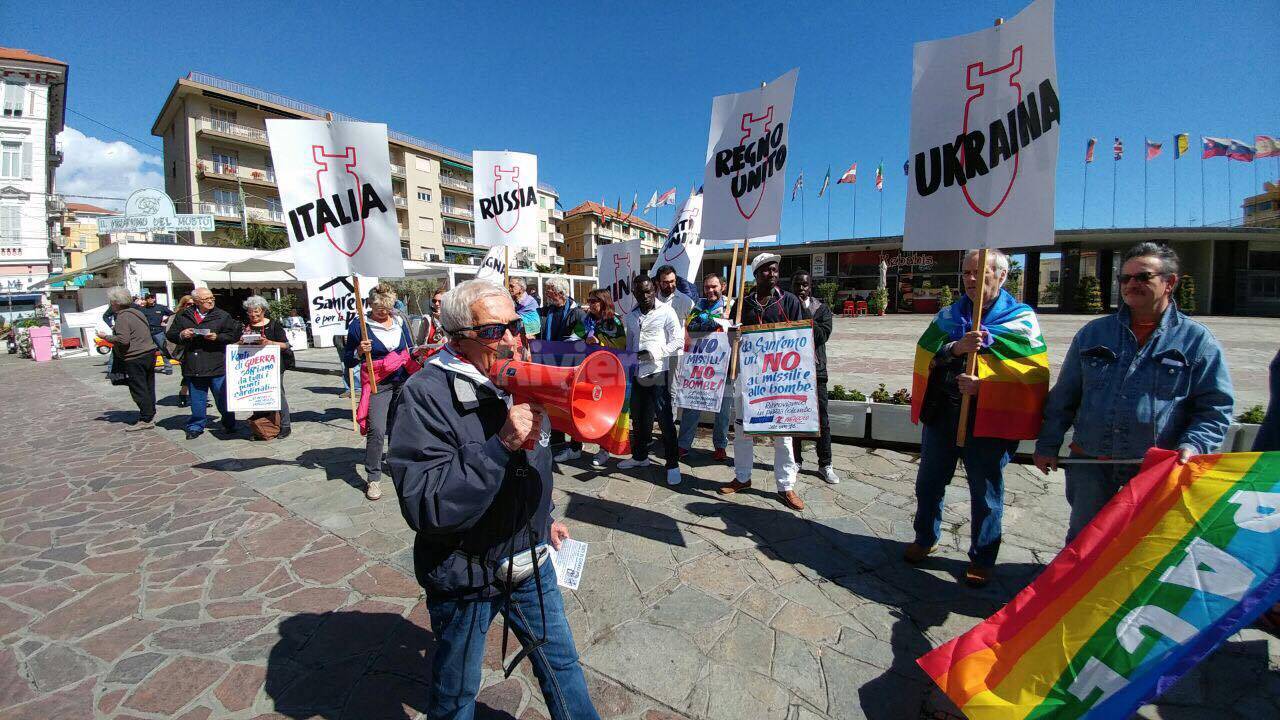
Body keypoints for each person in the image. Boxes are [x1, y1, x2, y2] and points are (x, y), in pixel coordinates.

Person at [387, 280, 600, 720]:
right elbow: (426, 504)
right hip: (468, 574)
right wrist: (499, 443)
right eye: (492, 331)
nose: (508, 339)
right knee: (456, 692)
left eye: (514, 325)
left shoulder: (515, 377)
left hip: (531, 558)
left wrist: (545, 516)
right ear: (457, 338)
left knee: (562, 668)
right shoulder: (425, 395)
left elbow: (534, 459)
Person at [1035, 242, 1234, 544]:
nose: (1131, 285)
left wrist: (1194, 445)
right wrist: (1048, 443)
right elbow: (1065, 395)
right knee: (1083, 543)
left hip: (1152, 470)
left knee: (1139, 548)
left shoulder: (1197, 341)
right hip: (1091, 463)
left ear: (1170, 282)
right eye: (1124, 279)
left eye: (1142, 277)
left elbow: (1215, 408)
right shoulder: (1093, 333)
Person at [904, 249, 1048, 588]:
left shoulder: (1021, 319)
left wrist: (985, 384)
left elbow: (1033, 371)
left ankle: (983, 557)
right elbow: (927, 354)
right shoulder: (948, 315)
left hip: (989, 422)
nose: (971, 279)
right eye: (967, 273)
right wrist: (955, 349)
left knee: (985, 492)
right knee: (928, 482)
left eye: (980, 272)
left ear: (1001, 276)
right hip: (945, 416)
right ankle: (926, 537)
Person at [720, 253, 806, 510]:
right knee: (743, 431)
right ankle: (743, 477)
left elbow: (800, 336)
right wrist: (732, 333)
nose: (773, 274)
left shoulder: (789, 301)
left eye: (775, 270)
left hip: (778, 380)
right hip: (748, 379)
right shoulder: (742, 304)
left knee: (783, 435)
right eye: (767, 270)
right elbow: (731, 339)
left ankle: (786, 485)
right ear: (756, 275)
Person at [344, 286, 418, 501]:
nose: (383, 312)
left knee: (399, 427)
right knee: (376, 429)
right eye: (378, 308)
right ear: (369, 304)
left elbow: (410, 349)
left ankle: (397, 465)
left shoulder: (399, 321)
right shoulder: (360, 327)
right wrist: (359, 351)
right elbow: (348, 360)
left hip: (402, 380)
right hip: (378, 383)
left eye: (387, 308)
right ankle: (373, 477)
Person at [620, 274, 683, 485]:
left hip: (657, 372)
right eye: (640, 292)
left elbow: (678, 340)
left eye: (648, 291)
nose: (645, 295)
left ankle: (672, 464)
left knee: (665, 419)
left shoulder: (666, 311)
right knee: (638, 418)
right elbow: (630, 343)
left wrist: (657, 352)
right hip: (638, 373)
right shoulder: (631, 315)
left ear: (654, 289)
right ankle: (640, 457)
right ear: (635, 293)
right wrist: (628, 363)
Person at [167, 287, 242, 439]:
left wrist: (218, 337)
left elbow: (233, 335)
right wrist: (182, 334)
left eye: (211, 298)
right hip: (193, 363)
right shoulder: (183, 315)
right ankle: (196, 426)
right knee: (197, 399)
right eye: (206, 299)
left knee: (222, 397)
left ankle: (229, 423)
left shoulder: (222, 315)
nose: (210, 301)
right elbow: (171, 334)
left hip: (216, 362)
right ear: (196, 301)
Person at [790, 272, 840, 484]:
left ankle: (825, 464)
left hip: (816, 371)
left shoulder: (821, 309)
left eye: (805, 285)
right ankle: (795, 460)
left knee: (822, 420)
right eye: (798, 285)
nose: (801, 288)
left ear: (811, 287)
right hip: (792, 372)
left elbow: (821, 335)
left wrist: (803, 312)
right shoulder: (786, 307)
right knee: (794, 418)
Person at [677, 273, 733, 462]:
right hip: (699, 368)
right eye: (707, 287)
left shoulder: (732, 307)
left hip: (723, 367)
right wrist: (715, 321)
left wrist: (730, 324)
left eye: (714, 287)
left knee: (723, 410)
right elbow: (692, 327)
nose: (710, 291)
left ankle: (720, 446)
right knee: (692, 406)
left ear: (723, 287)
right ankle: (683, 445)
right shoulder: (699, 305)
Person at [537, 278, 589, 463]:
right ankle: (557, 440)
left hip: (570, 369)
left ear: (559, 293)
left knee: (573, 407)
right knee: (553, 405)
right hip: (551, 367)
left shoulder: (579, 314)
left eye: (549, 290)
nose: (546, 293)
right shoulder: (546, 312)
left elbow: (586, 336)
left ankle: (576, 446)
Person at [97, 286, 157, 431]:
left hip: (135, 356)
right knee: (148, 385)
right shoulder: (137, 312)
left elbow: (123, 340)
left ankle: (146, 417)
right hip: (148, 352)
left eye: (111, 301)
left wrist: (106, 337)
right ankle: (150, 412)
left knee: (138, 387)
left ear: (116, 302)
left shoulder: (122, 316)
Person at [582, 289, 628, 470]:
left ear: (604, 302)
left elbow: (620, 346)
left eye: (595, 301)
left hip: (610, 373)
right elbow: (576, 336)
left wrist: (599, 343)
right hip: (591, 371)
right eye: (590, 300)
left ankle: (604, 449)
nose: (591, 303)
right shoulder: (587, 320)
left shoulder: (613, 321)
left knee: (607, 410)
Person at [241, 296, 294, 439]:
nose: (253, 316)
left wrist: (269, 342)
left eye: (257, 313)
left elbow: (286, 345)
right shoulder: (245, 326)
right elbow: (236, 343)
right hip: (253, 367)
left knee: (277, 393)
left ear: (263, 311)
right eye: (251, 313)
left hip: (273, 366)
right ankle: (261, 424)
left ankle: (285, 425)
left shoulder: (274, 325)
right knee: (257, 394)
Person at [166, 294, 194, 407]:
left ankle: (197, 399)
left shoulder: (199, 316)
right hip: (183, 349)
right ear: (183, 305)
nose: (191, 306)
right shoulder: (176, 316)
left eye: (193, 304)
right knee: (188, 375)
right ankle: (183, 394)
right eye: (189, 304)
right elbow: (170, 335)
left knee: (198, 376)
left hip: (198, 349)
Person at [139, 292, 174, 374]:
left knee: (164, 350)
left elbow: (172, 315)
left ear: (154, 298)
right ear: (146, 299)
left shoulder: (161, 307)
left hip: (158, 332)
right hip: (147, 333)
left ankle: (168, 368)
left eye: (152, 297)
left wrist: (166, 321)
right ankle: (149, 368)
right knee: (147, 352)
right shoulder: (142, 309)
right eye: (148, 298)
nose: (150, 299)